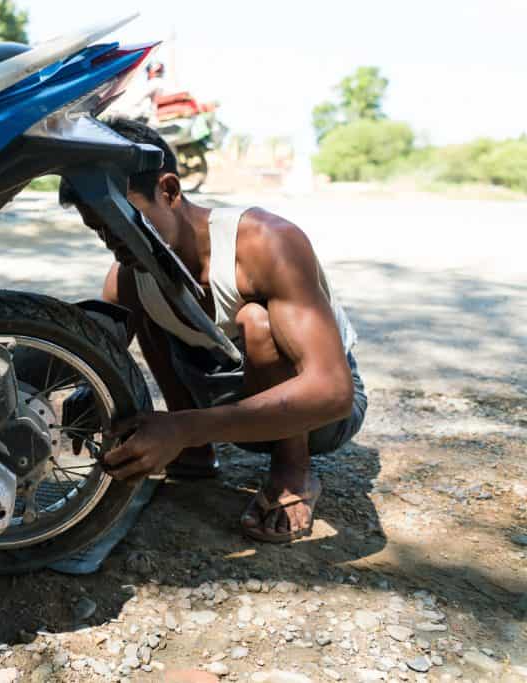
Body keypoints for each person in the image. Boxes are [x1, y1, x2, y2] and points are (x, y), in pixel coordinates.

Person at [61, 118, 367, 543]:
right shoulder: (128, 274)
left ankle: (292, 471)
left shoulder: (266, 242)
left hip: (319, 416)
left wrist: (182, 426)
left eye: (122, 220)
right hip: (230, 395)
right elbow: (90, 352)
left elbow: (333, 393)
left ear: (168, 191)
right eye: (99, 229)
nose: (112, 241)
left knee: (255, 322)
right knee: (140, 309)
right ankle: (195, 456)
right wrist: (84, 396)